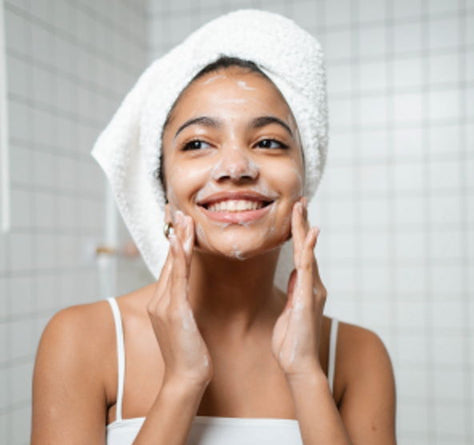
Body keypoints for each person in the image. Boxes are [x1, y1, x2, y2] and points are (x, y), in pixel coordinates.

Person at [31, 10, 396, 445]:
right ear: (162, 190)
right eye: (198, 143)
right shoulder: (81, 340)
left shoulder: (357, 356)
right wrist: (182, 382)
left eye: (268, 143)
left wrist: (304, 373)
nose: (236, 167)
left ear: (305, 180)